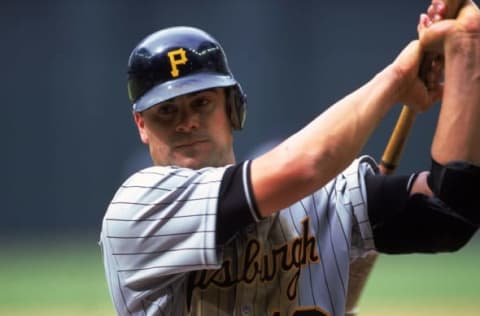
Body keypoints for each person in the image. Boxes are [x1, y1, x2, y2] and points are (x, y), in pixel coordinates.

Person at [99, 1, 480, 315]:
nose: (186, 123)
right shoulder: (137, 209)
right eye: (166, 111)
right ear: (142, 125)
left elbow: (446, 215)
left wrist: (465, 51)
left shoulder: (323, 196)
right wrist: (397, 77)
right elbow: (305, 166)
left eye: (201, 102)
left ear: (233, 108)